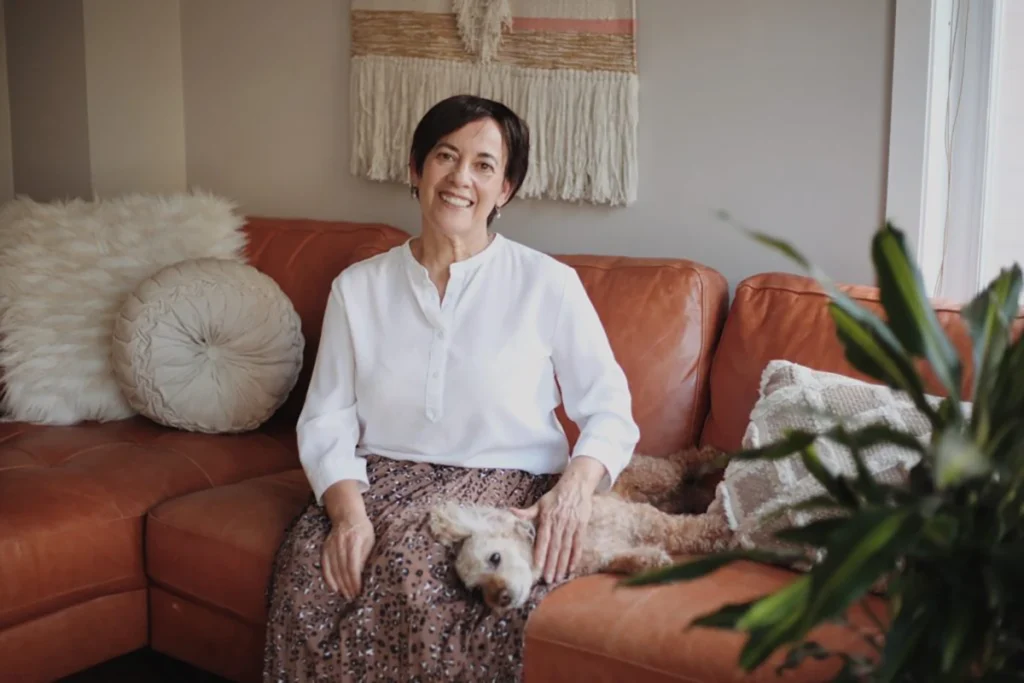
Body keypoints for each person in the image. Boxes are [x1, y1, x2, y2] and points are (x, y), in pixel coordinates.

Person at [263, 94, 640, 682]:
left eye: (485, 165)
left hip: (505, 486)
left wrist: (576, 490)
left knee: (431, 583)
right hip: (379, 480)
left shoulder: (548, 284)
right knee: (311, 575)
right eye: (446, 156)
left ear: (506, 189)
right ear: (417, 170)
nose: (461, 178)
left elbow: (610, 410)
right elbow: (326, 417)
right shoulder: (357, 288)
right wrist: (347, 517)